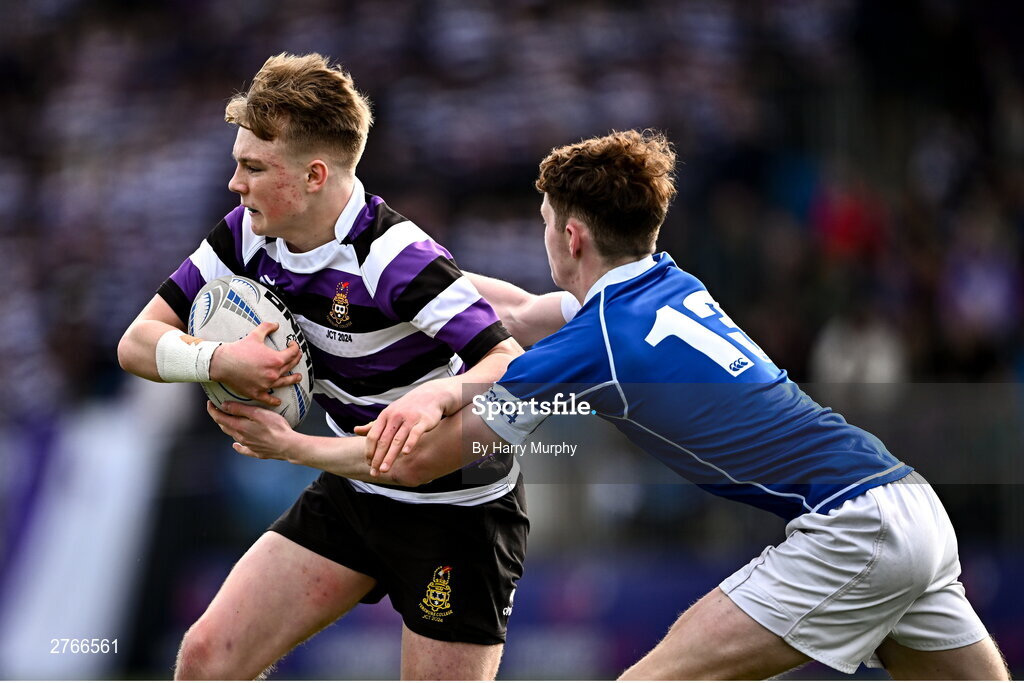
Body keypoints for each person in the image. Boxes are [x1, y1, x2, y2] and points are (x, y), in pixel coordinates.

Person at [213, 129, 1010, 680]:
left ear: (575, 240)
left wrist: (294, 447)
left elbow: (428, 455)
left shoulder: (597, 343)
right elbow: (522, 312)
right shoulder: (668, 284)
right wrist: (391, 257)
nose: (544, 238)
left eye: (545, 225)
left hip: (851, 530)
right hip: (910, 504)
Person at [117, 52, 528, 681]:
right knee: (206, 659)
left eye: (253, 168)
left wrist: (438, 398)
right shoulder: (248, 235)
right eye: (237, 165)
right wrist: (218, 358)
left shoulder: (396, 256)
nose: (236, 184)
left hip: (458, 514)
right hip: (355, 493)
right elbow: (136, 343)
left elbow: (510, 364)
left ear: (313, 175)